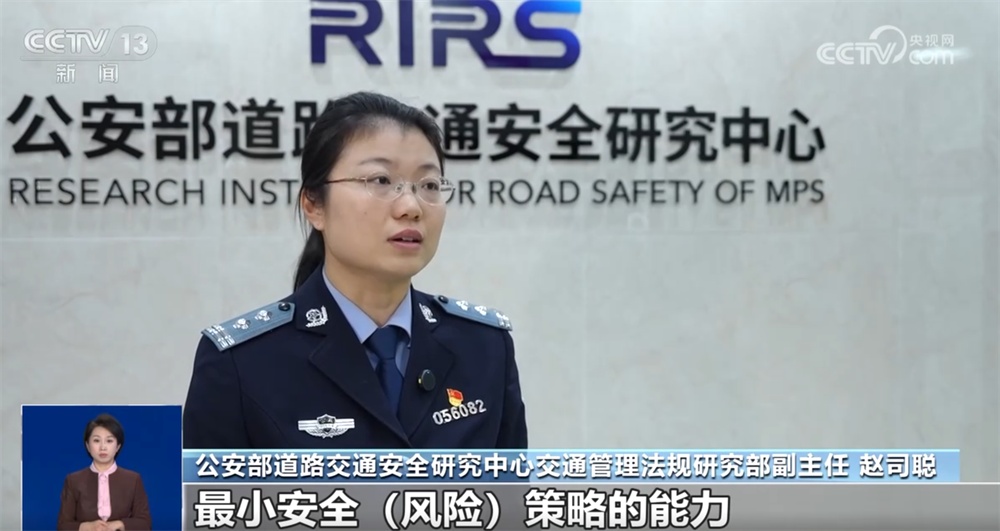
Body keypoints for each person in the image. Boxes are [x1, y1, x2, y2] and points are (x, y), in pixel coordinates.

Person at [182, 91, 528, 450]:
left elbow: (510, 485)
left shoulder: (484, 348)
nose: (411, 206)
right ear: (314, 205)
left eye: (428, 185)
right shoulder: (242, 363)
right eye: (380, 181)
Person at [57, 414, 152, 531]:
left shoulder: (133, 480)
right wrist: (88, 527)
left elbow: (144, 524)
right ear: (88, 445)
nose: (103, 447)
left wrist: (120, 524)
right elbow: (63, 526)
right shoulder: (73, 480)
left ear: (117, 446)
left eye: (109, 441)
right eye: (96, 440)